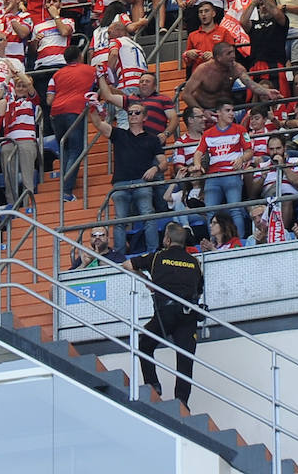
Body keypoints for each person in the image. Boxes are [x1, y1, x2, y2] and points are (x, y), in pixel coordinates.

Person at [122, 221, 204, 409]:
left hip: (164, 314)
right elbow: (199, 290)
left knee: (144, 343)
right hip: (188, 314)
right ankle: (182, 402)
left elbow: (127, 264)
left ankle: (153, 385)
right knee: (185, 359)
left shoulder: (157, 257)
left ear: (166, 239)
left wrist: (147, 281)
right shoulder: (194, 262)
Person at [92, 97, 164, 256]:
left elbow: (163, 162)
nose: (132, 115)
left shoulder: (152, 139)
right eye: (130, 113)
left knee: (148, 216)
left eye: (137, 113)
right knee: (120, 221)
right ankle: (119, 255)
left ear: (144, 117)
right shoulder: (119, 134)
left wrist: (155, 168)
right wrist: (91, 108)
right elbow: (98, 124)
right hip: (121, 183)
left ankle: (153, 253)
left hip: (141, 182)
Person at [47, 45, 97, 202]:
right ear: (80, 56)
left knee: (65, 150)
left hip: (55, 113)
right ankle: (66, 191)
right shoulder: (90, 70)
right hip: (75, 111)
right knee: (76, 149)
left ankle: (66, 186)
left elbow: (49, 99)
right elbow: (105, 82)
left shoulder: (56, 75)